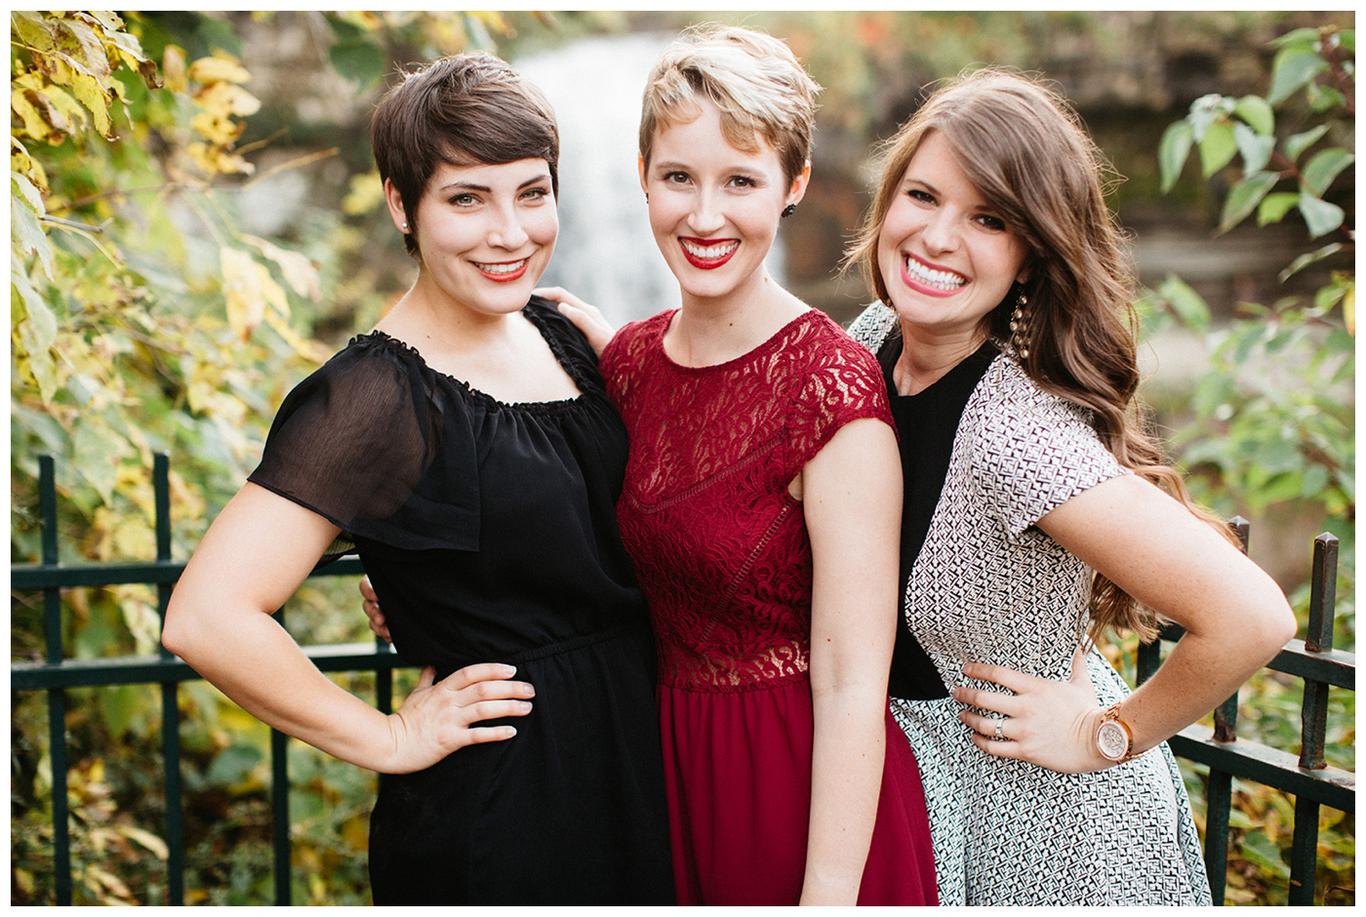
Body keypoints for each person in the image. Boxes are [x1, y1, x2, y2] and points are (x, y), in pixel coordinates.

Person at [163, 53, 674, 905]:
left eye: (532, 193)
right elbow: (206, 616)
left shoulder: (563, 333)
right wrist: (388, 737)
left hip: (640, 769)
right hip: (509, 806)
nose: (510, 233)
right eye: (467, 199)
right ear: (402, 204)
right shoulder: (374, 395)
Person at [841, 69, 1297, 904]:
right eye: (923, 195)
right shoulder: (874, 341)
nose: (937, 237)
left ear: (1031, 257)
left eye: (989, 219)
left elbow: (1253, 615)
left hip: (1052, 840)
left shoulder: (1015, 433)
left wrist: (1103, 735)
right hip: (921, 805)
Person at [538, 25, 936, 905]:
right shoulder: (628, 365)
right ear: (641, 176)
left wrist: (825, 895)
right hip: (664, 776)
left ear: (794, 186)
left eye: (741, 182)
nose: (705, 216)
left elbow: (852, 681)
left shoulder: (829, 386)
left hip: (799, 793)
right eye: (679, 177)